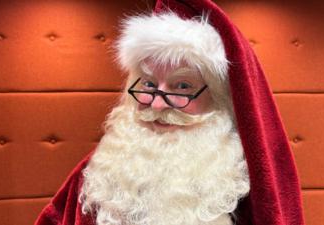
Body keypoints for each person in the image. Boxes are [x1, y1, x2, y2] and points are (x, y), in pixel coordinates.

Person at [35, 0, 305, 225]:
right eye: (149, 84)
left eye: (183, 86)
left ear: (219, 100)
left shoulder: (242, 179)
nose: (157, 104)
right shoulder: (95, 174)